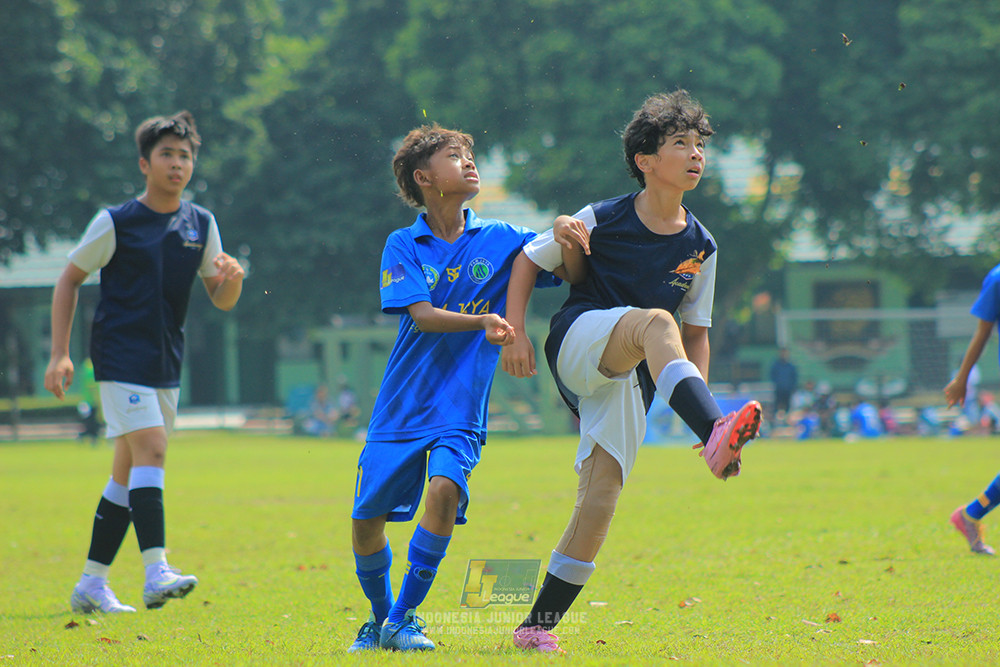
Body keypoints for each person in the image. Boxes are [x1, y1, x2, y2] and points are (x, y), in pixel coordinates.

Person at [500, 90, 762, 652]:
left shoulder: (702, 244)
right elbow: (528, 258)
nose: (696, 155)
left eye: (699, 145)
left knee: (600, 500)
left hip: (629, 377)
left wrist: (703, 403)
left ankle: (534, 627)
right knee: (654, 323)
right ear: (645, 161)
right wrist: (515, 331)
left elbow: (697, 334)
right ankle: (714, 432)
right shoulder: (604, 216)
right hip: (579, 340)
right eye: (680, 144)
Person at [347, 124, 564, 653]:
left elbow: (549, 257)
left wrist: (562, 225)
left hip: (460, 407)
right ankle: (378, 622)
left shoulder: (503, 239)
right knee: (366, 522)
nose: (469, 163)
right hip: (400, 405)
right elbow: (421, 317)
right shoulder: (403, 243)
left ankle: (402, 618)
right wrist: (485, 321)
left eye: (469, 155)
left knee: (444, 492)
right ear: (424, 178)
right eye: (454, 156)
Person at [44, 111, 245, 613]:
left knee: (126, 473)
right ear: (144, 163)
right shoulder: (115, 222)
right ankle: (157, 571)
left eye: (185, 155)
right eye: (167, 155)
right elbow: (68, 279)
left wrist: (234, 277)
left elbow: (221, 298)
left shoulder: (201, 223)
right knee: (152, 449)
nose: (178, 164)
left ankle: (91, 584)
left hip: (165, 361)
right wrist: (59, 353)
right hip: (118, 356)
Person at [944, 263, 1000, 556]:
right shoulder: (998, 278)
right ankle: (970, 514)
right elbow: (982, 332)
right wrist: (962, 378)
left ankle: (970, 514)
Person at [769, 348, 798, 423]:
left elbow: (794, 377)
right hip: (779, 390)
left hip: (788, 390)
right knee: (777, 407)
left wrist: (791, 387)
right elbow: (772, 376)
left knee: (787, 407)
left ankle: (787, 421)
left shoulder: (791, 366)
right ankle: (777, 422)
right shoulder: (776, 365)